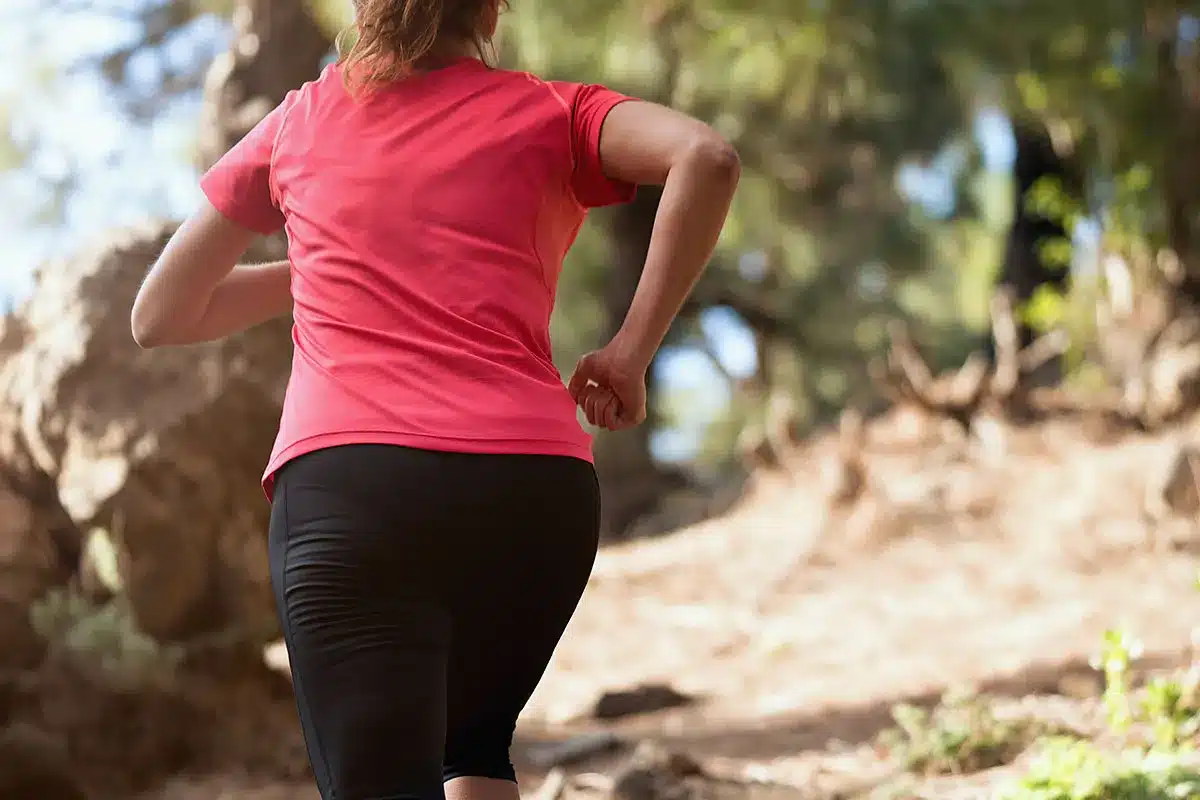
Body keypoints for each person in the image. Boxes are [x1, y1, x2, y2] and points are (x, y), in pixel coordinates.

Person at [130, 0, 739, 797]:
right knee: (477, 754)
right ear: (491, 7)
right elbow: (707, 156)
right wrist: (629, 354)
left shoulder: (300, 121)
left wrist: (324, 263)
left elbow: (160, 314)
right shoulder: (553, 110)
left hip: (356, 491)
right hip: (532, 494)